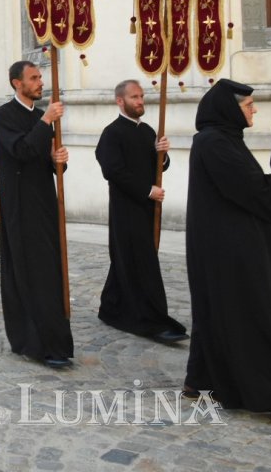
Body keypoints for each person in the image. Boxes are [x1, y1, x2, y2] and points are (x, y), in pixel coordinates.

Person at [183, 80, 271, 423]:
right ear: (230, 108)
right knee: (250, 314)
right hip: (227, 249)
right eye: (248, 104)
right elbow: (246, 187)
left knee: (220, 311)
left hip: (227, 242)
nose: (254, 109)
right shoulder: (213, 141)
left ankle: (202, 381)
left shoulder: (224, 138)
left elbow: (242, 187)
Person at [0, 61, 74, 369]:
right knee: (28, 270)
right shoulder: (3, 116)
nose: (41, 83)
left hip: (44, 203)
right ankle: (32, 341)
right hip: (20, 206)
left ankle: (56, 339)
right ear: (17, 83)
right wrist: (46, 123)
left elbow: (44, 160)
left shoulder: (42, 117)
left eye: (41, 77)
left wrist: (57, 160)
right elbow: (22, 151)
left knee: (48, 271)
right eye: (34, 78)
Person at [94, 80, 187, 344]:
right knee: (139, 262)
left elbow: (160, 166)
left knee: (127, 261)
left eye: (142, 96)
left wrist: (163, 154)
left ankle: (110, 307)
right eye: (134, 97)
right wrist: (148, 190)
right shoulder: (111, 133)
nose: (140, 101)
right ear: (120, 101)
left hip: (147, 209)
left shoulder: (147, 130)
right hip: (126, 210)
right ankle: (151, 320)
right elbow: (113, 171)